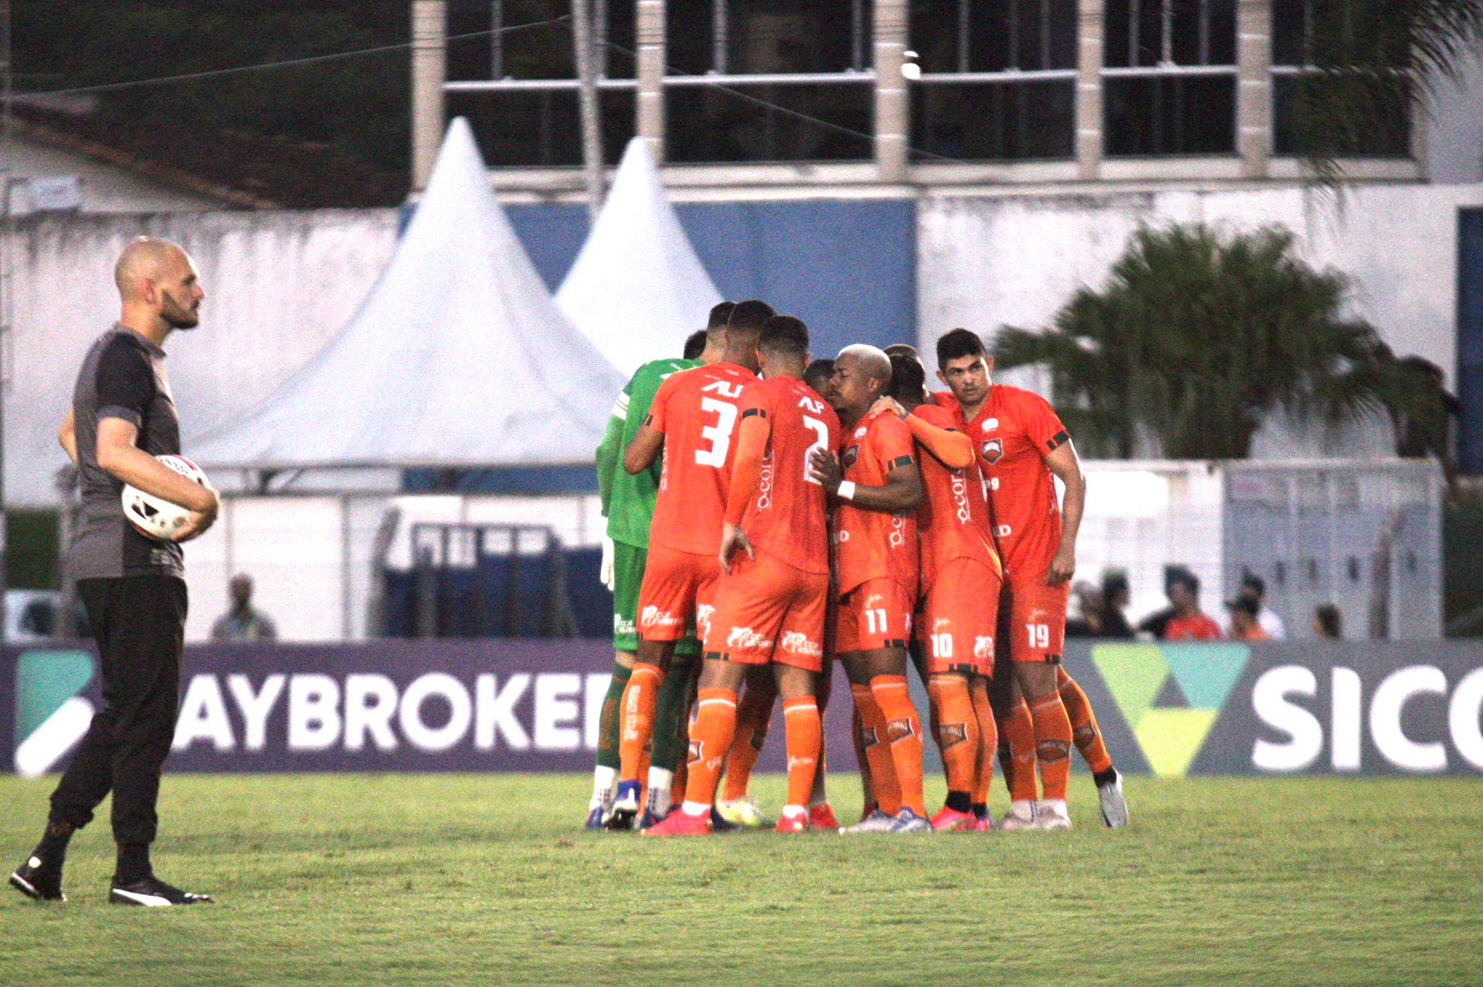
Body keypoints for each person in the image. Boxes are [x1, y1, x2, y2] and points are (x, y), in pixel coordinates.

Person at [10, 237, 218, 907]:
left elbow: (75, 430)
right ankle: (132, 871)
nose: (198, 291)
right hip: (133, 559)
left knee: (127, 709)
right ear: (154, 291)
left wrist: (123, 491)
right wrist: (195, 499)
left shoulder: (116, 357)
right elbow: (110, 448)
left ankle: (49, 854)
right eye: (187, 280)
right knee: (147, 714)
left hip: (109, 553)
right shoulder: (127, 357)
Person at [645, 316, 839, 835]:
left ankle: (692, 813)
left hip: (764, 559)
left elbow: (751, 452)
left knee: (721, 677)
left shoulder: (759, 393)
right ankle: (798, 813)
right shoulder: (824, 410)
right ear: (804, 357)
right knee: (797, 686)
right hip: (813, 566)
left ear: (759, 356)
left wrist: (731, 524)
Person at [932, 328, 1126, 830]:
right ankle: (1027, 803)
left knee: (1039, 681)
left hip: (1038, 564)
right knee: (1006, 691)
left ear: (989, 363)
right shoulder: (943, 417)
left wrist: (1067, 546)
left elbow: (1073, 476)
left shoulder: (1025, 407)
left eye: (975, 367)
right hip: (984, 575)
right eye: (956, 372)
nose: (968, 379)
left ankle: (1057, 806)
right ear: (942, 377)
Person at [606, 299, 775, 830]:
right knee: (714, 681)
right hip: (724, 554)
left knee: (647, 666)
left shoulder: (675, 385)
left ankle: (627, 790)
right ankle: (694, 803)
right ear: (755, 350)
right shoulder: (760, 394)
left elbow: (631, 459)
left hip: (668, 546)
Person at [586, 303, 733, 829]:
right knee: (682, 671)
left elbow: (609, 450)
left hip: (630, 537)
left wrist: (612, 516)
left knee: (628, 665)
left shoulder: (650, 373)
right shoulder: (726, 389)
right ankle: (661, 800)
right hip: (689, 539)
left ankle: (603, 799)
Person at [809, 345, 932, 833]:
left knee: (888, 691)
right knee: (865, 702)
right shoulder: (849, 434)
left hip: (883, 571)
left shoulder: (886, 427)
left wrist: (841, 489)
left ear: (874, 385)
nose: (834, 383)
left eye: (842, 375)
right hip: (851, 579)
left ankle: (915, 810)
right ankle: (883, 808)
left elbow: (909, 489)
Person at [881, 350, 1003, 832]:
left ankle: (959, 804)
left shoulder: (927, 416)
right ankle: (974, 809)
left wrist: (905, 413)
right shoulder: (935, 414)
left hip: (960, 561)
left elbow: (959, 452)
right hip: (961, 562)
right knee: (968, 688)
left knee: (951, 684)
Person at [1156, 567, 1221, 641]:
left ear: (1190, 595)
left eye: (1176, 592)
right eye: (1171, 593)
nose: (1172, 597)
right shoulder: (1172, 624)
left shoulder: (1208, 625)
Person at [209, 574, 277, 642]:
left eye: (244, 588)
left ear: (250, 591)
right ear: (231, 592)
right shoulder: (222, 625)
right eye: (237, 588)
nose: (240, 591)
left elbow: (272, 649)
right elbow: (215, 649)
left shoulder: (263, 623)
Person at [1100, 570, 1136, 639]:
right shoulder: (1112, 620)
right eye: (1126, 590)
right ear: (1119, 593)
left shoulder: (1112, 616)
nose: (1128, 594)